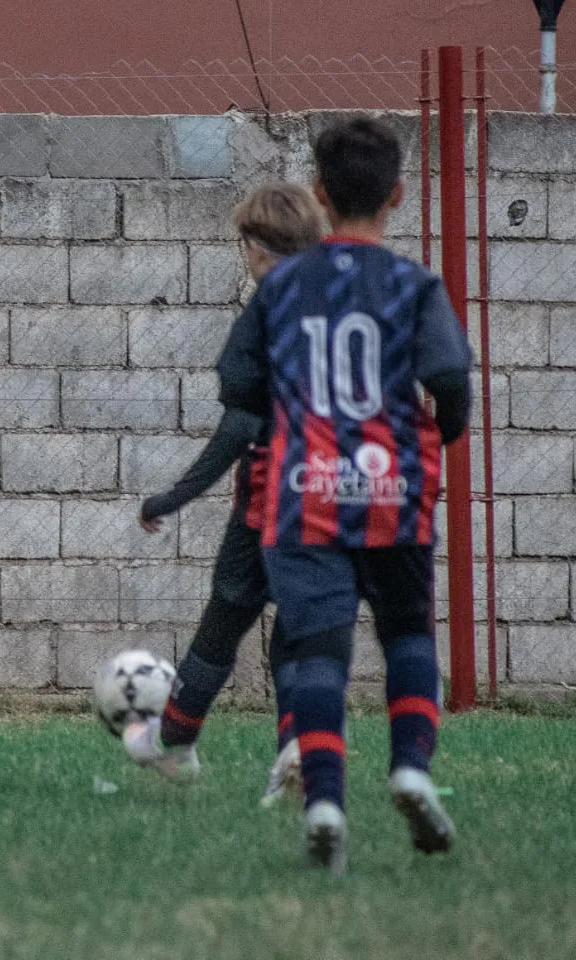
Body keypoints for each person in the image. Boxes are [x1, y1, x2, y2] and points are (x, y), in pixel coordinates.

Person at [217, 117, 472, 873]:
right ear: (397, 195)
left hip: (308, 490)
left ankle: (325, 803)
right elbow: (450, 379)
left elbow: (238, 380)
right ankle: (411, 769)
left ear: (319, 194)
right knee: (408, 635)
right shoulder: (413, 285)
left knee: (319, 650)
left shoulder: (284, 285)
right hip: (394, 486)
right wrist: (441, 433)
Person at [124, 183, 324, 805]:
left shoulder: (263, 315)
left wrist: (172, 496)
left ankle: (176, 746)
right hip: (331, 498)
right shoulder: (337, 305)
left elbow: (240, 425)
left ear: (257, 248)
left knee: (224, 621)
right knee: (298, 634)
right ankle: (296, 749)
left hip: (269, 501)